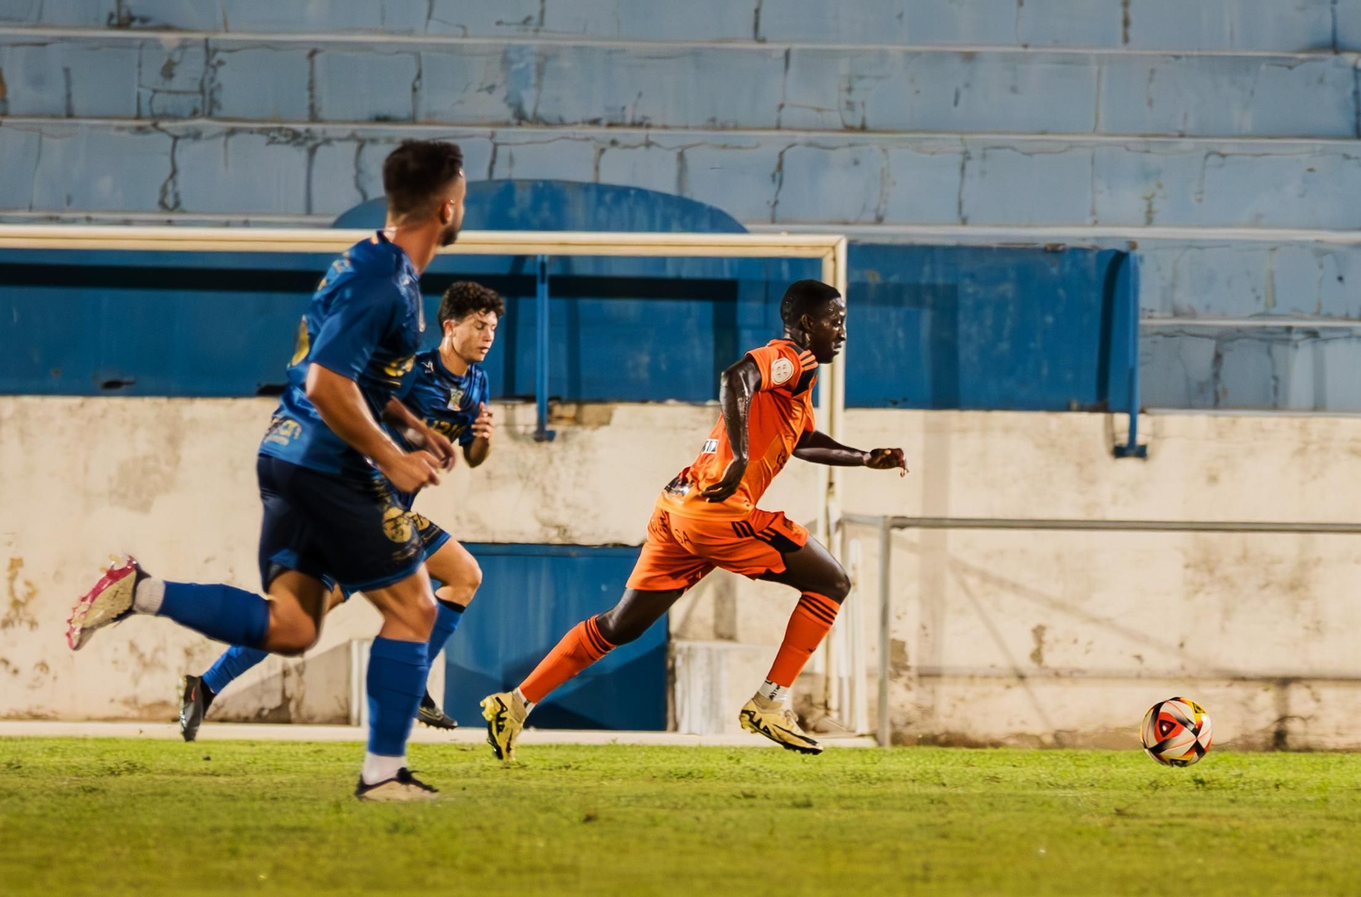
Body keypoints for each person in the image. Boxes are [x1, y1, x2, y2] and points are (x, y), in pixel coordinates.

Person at [64, 139, 468, 802]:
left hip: (285, 456)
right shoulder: (389, 283)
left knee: (293, 625)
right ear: (447, 208)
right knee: (416, 606)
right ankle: (383, 774)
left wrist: (414, 425)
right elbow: (328, 382)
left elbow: (356, 373)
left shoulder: (366, 259)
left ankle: (140, 591)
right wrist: (393, 454)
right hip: (328, 465)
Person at [478, 279, 908, 760]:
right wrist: (742, 455)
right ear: (808, 325)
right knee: (832, 583)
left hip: (679, 509)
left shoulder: (794, 384)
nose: (843, 331)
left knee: (620, 626)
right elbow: (734, 378)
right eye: (836, 321)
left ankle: (514, 702)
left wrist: (865, 457)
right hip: (720, 515)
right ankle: (769, 703)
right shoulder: (792, 357)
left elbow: (803, 439)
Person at [177, 282, 504, 740]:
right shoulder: (413, 372)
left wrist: (483, 435)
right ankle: (205, 682)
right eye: (479, 325)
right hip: (359, 506)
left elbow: (473, 455)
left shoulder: (477, 382)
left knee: (463, 576)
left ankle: (207, 686)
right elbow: (357, 402)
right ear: (450, 326)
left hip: (391, 516)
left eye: (492, 327)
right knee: (299, 620)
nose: (488, 335)